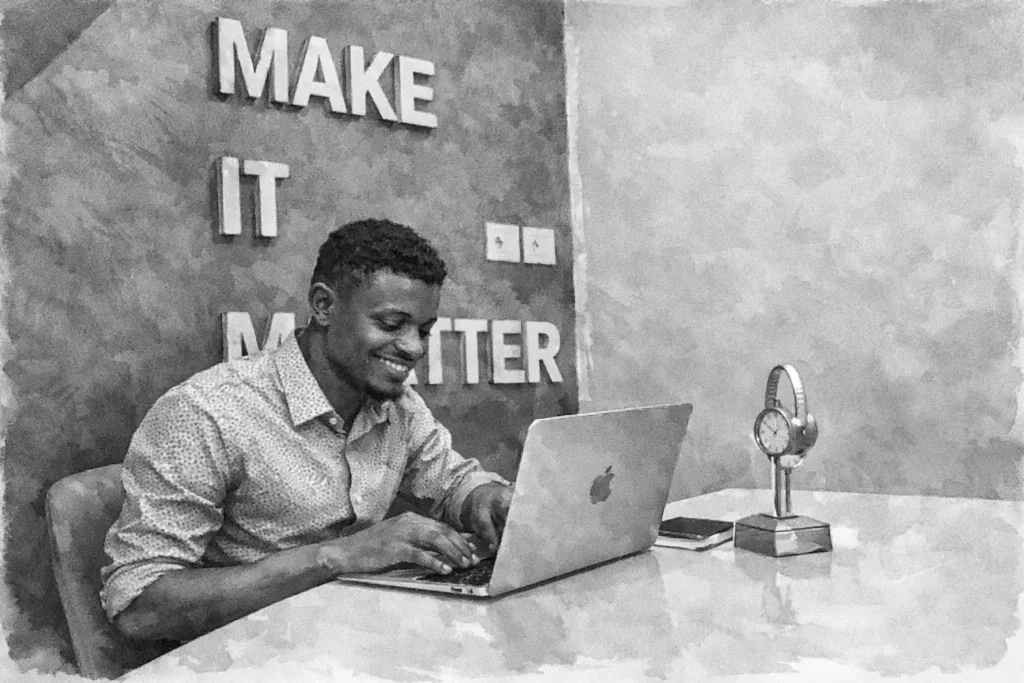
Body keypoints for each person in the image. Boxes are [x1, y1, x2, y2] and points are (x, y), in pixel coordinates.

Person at [101, 219, 513, 642]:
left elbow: (453, 484)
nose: (414, 347)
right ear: (324, 306)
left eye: (423, 331)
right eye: (392, 325)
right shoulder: (208, 412)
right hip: (243, 657)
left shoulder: (397, 406)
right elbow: (139, 606)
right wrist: (336, 557)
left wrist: (486, 499)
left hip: (353, 642)